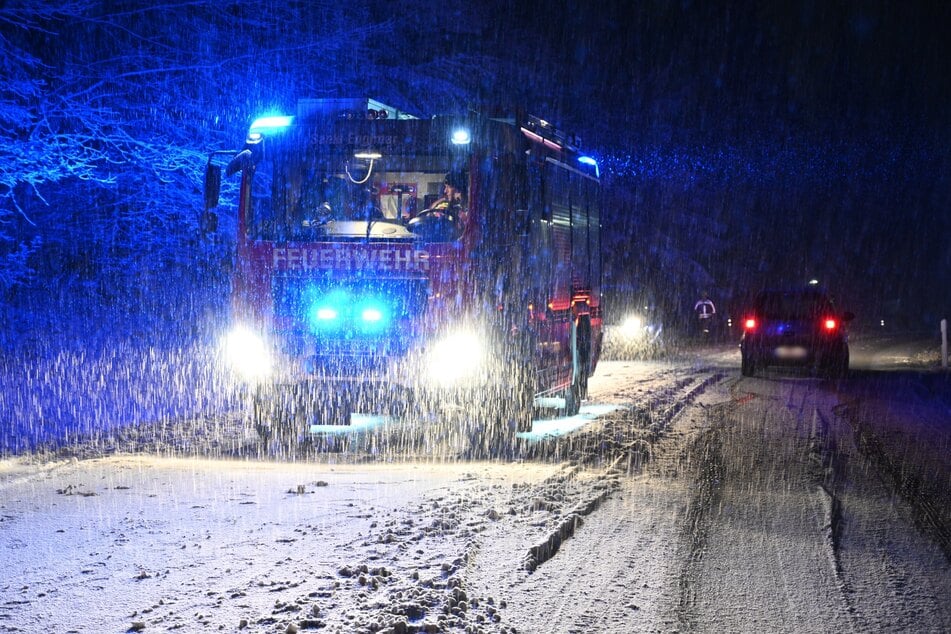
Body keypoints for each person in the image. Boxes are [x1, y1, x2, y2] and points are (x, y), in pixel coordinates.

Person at [407, 170, 467, 240]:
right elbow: (433, 217)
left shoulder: (470, 210)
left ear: (457, 188)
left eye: (448, 187)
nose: (445, 191)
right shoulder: (444, 205)